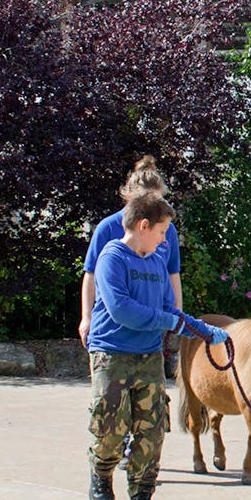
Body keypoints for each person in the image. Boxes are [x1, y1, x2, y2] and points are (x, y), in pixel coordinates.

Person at [87, 192, 230, 500]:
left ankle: (142, 497)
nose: (166, 239)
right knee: (111, 427)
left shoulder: (154, 261)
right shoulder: (113, 258)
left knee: (151, 429)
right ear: (143, 225)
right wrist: (170, 322)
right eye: (162, 232)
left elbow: (169, 309)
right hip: (112, 354)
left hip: (148, 355)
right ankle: (101, 468)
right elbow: (124, 311)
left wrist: (203, 330)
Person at [81, 156, 182, 378]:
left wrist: (177, 315)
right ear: (130, 198)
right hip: (113, 336)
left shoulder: (167, 230)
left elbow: (172, 272)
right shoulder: (108, 228)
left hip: (150, 336)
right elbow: (91, 274)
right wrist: (86, 317)